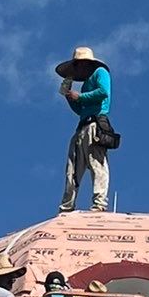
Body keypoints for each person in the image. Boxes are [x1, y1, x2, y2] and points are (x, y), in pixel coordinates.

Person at [55, 44, 114, 212]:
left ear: (86, 63)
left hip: (95, 124)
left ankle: (99, 204)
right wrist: (70, 97)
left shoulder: (100, 73)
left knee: (97, 163)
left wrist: (79, 96)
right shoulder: (85, 84)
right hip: (82, 126)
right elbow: (80, 110)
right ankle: (67, 206)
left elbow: (103, 92)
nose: (77, 68)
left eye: (78, 64)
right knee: (72, 168)